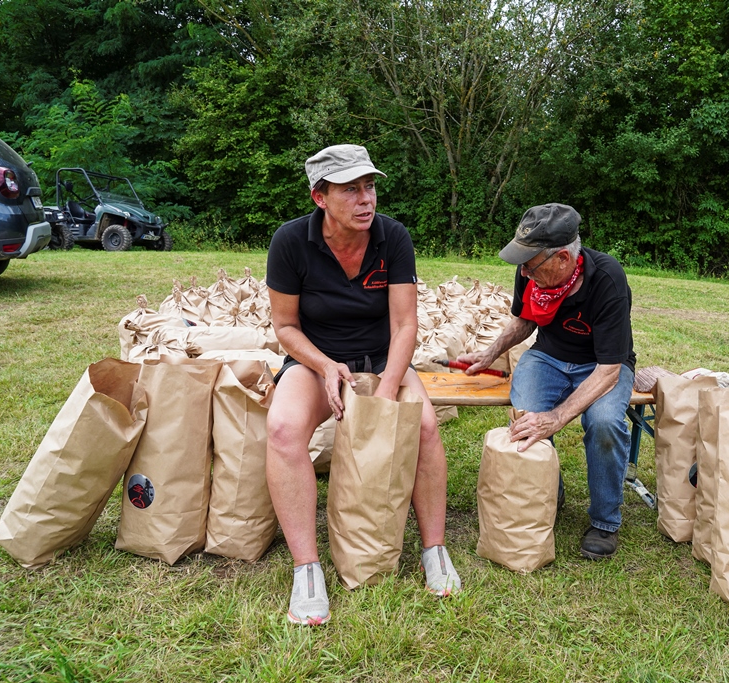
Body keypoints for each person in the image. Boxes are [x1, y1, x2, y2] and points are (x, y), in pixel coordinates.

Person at [265, 144, 461, 626]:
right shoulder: (290, 242)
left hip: (382, 357)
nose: (365, 198)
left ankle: (434, 550)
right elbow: (286, 328)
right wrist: (326, 365)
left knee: (426, 427)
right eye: (350, 189)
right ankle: (306, 568)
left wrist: (389, 390)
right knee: (284, 430)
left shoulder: (393, 237)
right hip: (317, 362)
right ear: (320, 197)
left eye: (369, 186)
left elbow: (405, 325)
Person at [458, 203, 636, 560]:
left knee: (603, 422)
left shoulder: (607, 280)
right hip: (548, 357)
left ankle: (605, 521)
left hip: (602, 365)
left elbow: (609, 371)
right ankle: (546, 493)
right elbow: (524, 320)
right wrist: (489, 353)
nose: (523, 271)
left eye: (530, 264)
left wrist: (557, 417)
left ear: (564, 260)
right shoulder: (531, 269)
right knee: (527, 416)